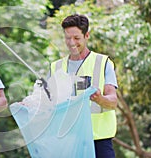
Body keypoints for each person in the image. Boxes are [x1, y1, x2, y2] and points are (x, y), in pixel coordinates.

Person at [50, 14, 118, 158]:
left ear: (86, 35)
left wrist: (100, 98)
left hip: (99, 142)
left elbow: (113, 102)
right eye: (68, 38)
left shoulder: (103, 63)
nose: (71, 42)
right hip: (68, 141)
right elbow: (47, 102)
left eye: (76, 38)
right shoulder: (56, 67)